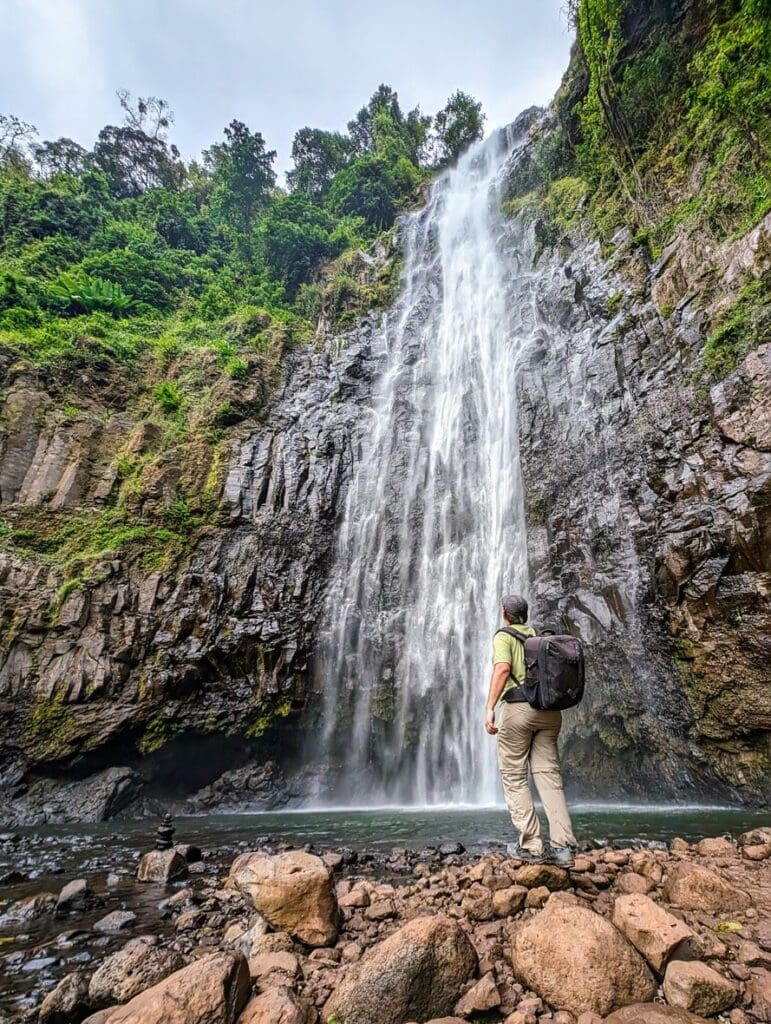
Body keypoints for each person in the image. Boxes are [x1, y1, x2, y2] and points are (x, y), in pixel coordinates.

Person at [484, 593, 576, 866]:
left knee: (514, 775)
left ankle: (532, 846)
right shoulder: (540, 638)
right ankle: (564, 847)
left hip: (518, 710)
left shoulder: (504, 636)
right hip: (549, 713)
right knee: (549, 777)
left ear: (505, 615)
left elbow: (502, 669)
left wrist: (490, 707)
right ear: (526, 614)